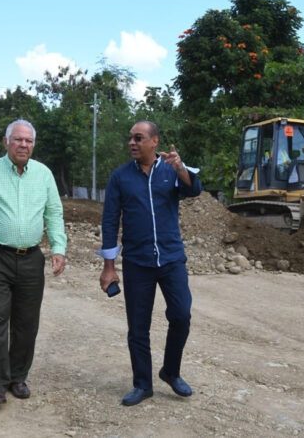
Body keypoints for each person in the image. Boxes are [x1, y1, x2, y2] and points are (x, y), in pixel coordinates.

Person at [0, 119, 66, 405]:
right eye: (18, 139)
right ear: (7, 142)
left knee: (27, 322)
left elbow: (54, 213)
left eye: (28, 141)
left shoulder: (43, 174)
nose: (23, 145)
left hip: (31, 257)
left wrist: (59, 248)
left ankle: (18, 376)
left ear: (33, 144)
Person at [98, 120, 202, 407]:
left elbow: (195, 190)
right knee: (138, 327)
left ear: (154, 141)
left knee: (181, 315)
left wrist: (181, 167)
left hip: (171, 259)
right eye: (130, 138)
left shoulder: (171, 169)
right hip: (137, 262)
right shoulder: (120, 177)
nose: (132, 142)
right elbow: (110, 221)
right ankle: (142, 384)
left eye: (138, 138)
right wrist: (109, 266)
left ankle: (170, 371)